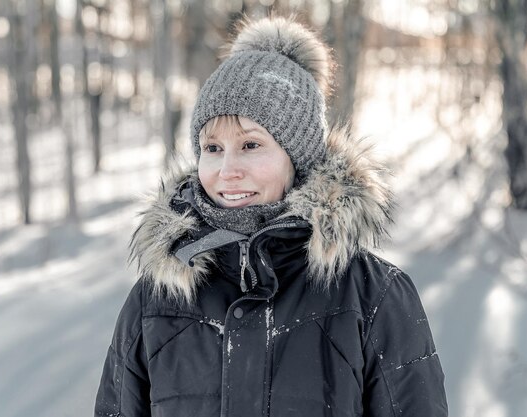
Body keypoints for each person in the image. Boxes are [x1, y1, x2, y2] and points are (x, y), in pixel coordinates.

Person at [95, 15, 448, 417]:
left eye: (250, 145)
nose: (227, 170)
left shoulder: (373, 297)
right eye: (212, 148)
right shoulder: (156, 300)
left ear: (298, 158)